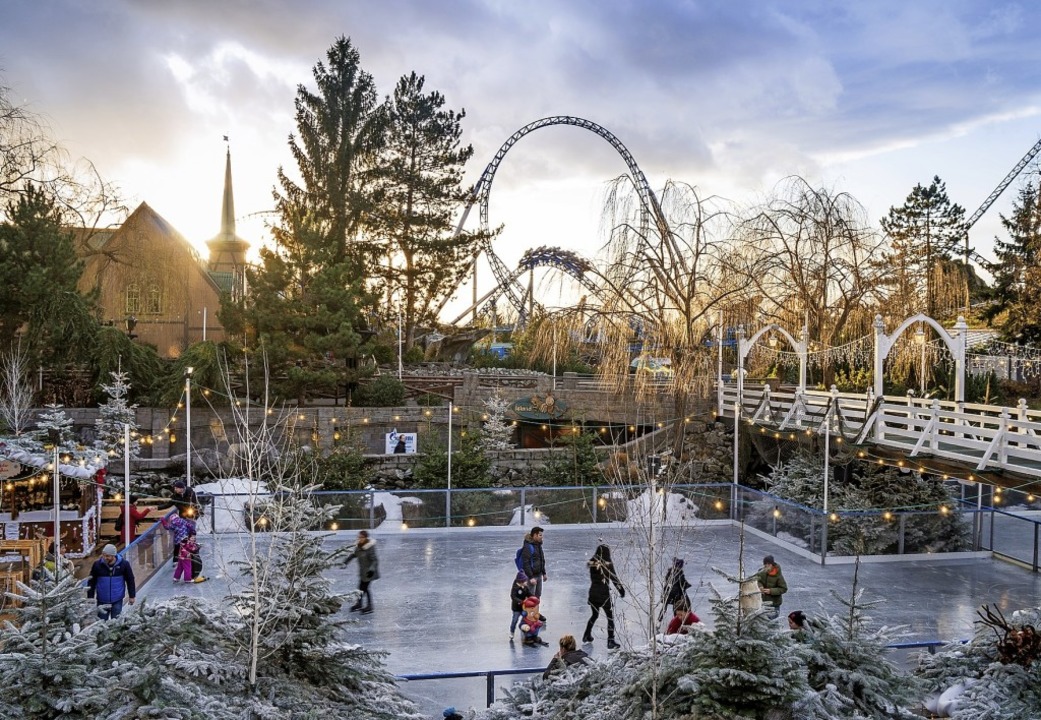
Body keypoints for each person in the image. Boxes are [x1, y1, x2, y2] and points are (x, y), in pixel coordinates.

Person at [583, 544, 625, 649]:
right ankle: (610, 641)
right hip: (604, 594)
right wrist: (621, 590)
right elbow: (614, 579)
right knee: (610, 617)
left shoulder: (592, 563)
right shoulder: (608, 565)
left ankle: (586, 634)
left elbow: (591, 564)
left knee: (594, 615)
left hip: (592, 593)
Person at [87, 543, 136, 620]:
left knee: (116, 623)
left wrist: (132, 596)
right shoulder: (97, 565)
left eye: (107, 556)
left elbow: (130, 580)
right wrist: (90, 597)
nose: (105, 558)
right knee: (101, 624)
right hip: (102, 600)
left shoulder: (124, 564)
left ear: (113, 556)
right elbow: (91, 582)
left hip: (117, 599)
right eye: (103, 555)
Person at [345, 530, 379, 614]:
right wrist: (346, 561)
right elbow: (354, 554)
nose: (359, 539)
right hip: (363, 572)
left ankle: (369, 606)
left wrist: (371, 570)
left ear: (365, 538)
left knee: (365, 588)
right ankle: (359, 604)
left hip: (369, 573)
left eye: (361, 537)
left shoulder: (370, 547)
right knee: (360, 588)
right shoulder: (359, 546)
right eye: (358, 537)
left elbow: (375, 560)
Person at [660, 557, 692, 622]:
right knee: (677, 607)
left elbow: (667, 581)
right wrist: (688, 585)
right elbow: (682, 584)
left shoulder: (669, 573)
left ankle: (659, 621)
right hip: (676, 595)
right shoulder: (680, 574)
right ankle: (677, 621)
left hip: (666, 593)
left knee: (664, 608)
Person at [757, 554, 788, 619]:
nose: (767, 566)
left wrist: (771, 591)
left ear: (772, 564)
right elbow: (757, 580)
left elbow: (784, 588)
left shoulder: (778, 575)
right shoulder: (761, 572)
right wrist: (760, 586)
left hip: (774, 604)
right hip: (762, 602)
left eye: (769, 564)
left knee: (771, 622)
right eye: (765, 565)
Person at [520, 526, 547, 597]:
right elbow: (526, 563)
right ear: (535, 535)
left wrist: (544, 573)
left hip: (539, 575)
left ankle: (537, 608)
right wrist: (531, 577)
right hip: (531, 576)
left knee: (538, 596)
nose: (542, 537)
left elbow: (541, 560)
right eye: (540, 535)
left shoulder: (538, 545)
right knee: (531, 597)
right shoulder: (528, 547)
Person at [509, 571, 533, 640]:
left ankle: (524, 628)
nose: (527, 582)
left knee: (526, 618)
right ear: (521, 581)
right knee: (515, 620)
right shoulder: (516, 588)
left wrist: (534, 598)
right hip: (516, 608)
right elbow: (513, 596)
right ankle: (512, 631)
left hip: (524, 608)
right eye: (525, 581)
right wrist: (521, 602)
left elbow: (529, 594)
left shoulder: (525, 587)